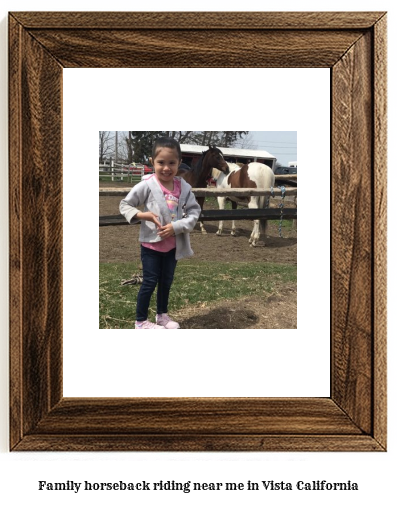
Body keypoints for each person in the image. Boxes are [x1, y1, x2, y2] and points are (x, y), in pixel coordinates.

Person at [120, 137, 201, 329]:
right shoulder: (147, 185)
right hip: (151, 246)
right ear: (152, 162)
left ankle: (162, 316)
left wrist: (177, 226)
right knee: (149, 282)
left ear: (179, 163)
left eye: (171, 163)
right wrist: (142, 215)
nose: (166, 168)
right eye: (161, 163)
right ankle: (140, 322)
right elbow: (125, 204)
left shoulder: (184, 188)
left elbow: (194, 211)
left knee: (166, 282)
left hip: (173, 247)